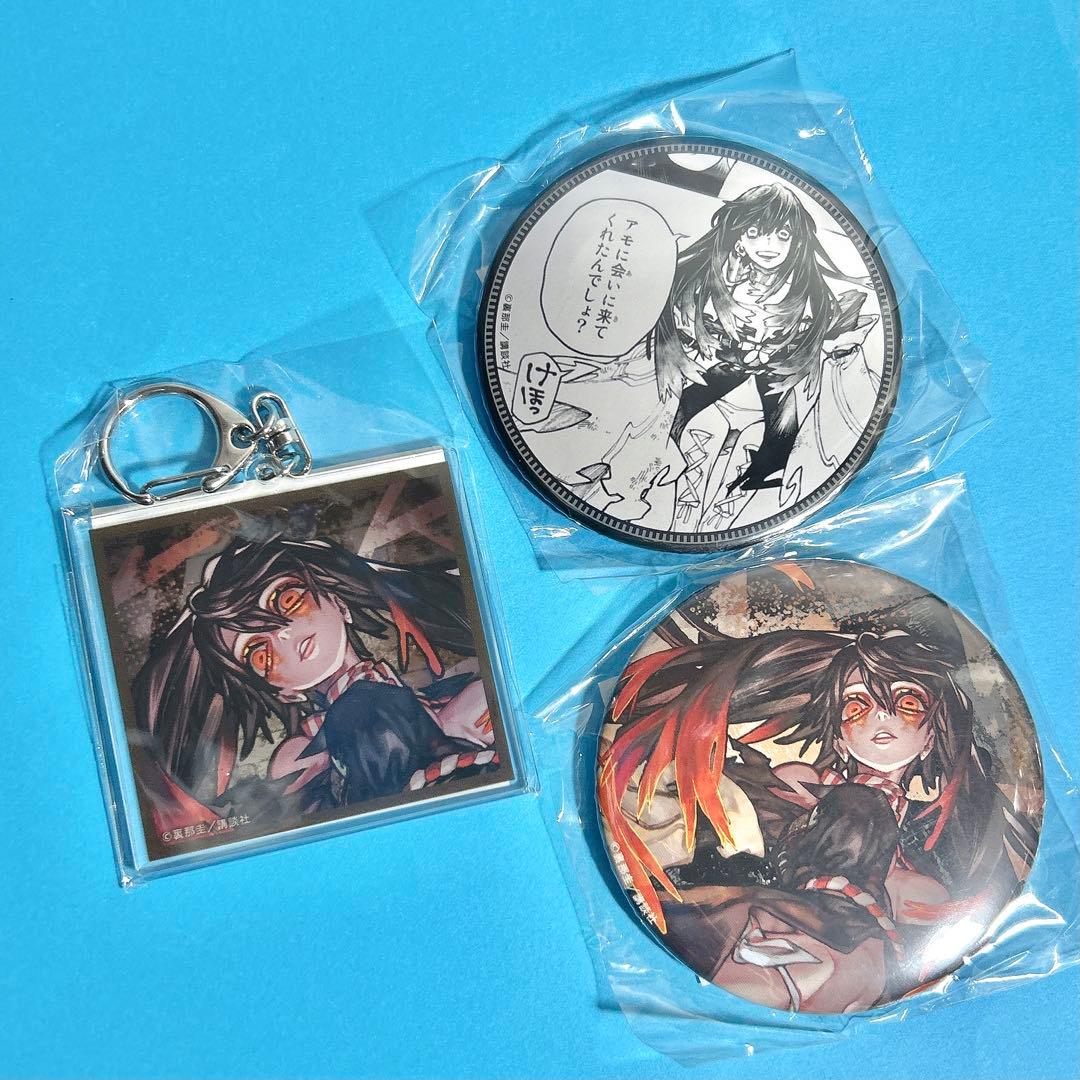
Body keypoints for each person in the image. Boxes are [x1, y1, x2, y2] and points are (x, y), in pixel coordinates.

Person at [131, 535, 495, 838]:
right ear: (282, 692)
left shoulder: (456, 697)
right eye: (261, 654)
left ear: (338, 603)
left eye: (288, 600)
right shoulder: (305, 748)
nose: (282, 634)